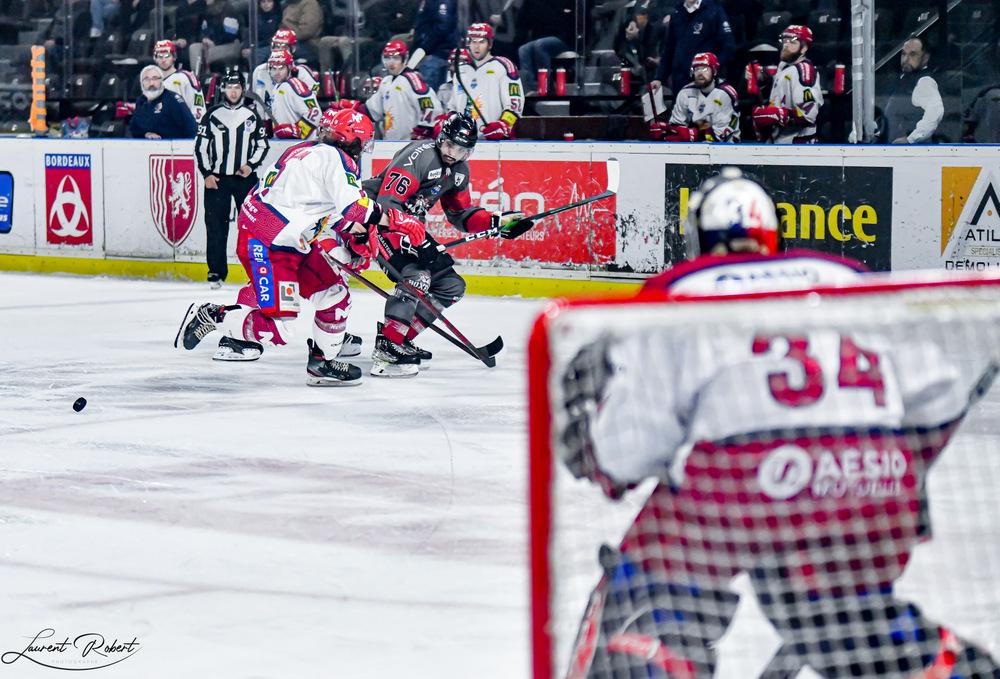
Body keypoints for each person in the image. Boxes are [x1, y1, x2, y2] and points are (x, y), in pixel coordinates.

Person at [558, 168, 1000, 678]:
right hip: (872, 483)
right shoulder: (845, 276)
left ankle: (650, 650)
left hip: (745, 485)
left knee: (652, 587)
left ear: (699, 237)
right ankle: (945, 668)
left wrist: (597, 456)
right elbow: (939, 394)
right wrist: (884, 466)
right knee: (848, 622)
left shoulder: (683, 292)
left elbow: (629, 448)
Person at [175, 107, 427, 384]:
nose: (363, 148)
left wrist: (352, 232)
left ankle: (321, 364)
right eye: (363, 141)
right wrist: (396, 220)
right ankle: (212, 315)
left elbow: (317, 205)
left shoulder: (305, 150)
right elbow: (355, 207)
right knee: (279, 330)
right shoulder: (336, 159)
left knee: (335, 296)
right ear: (351, 139)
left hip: (289, 239)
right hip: (268, 242)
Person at [360, 112, 524, 377]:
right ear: (441, 139)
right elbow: (387, 203)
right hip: (378, 220)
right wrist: (415, 241)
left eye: (462, 150)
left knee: (451, 286)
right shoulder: (420, 155)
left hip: (410, 228)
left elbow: (460, 214)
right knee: (417, 277)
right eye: (450, 146)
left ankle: (399, 338)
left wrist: (495, 221)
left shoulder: (459, 171)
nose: (453, 154)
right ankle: (387, 349)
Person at [195, 68, 269, 288]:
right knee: (215, 226)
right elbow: (201, 147)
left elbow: (263, 145)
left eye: (237, 87)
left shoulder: (252, 115)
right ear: (223, 89)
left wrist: (250, 165)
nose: (233, 92)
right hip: (217, 180)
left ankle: (255, 272)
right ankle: (216, 272)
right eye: (229, 87)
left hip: (244, 180)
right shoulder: (212, 115)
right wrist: (207, 174)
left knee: (252, 227)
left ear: (243, 89)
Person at [331, 40, 442, 141]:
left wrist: (424, 129)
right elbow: (372, 111)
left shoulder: (412, 79)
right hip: (390, 143)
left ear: (404, 58)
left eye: (396, 58)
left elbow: (430, 106)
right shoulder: (386, 82)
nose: (391, 62)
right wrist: (350, 107)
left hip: (411, 144)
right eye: (387, 58)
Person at [447, 22, 524, 139]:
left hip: (496, 141)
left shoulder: (503, 66)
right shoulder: (460, 71)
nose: (476, 46)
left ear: (490, 44)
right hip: (464, 140)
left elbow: (515, 104)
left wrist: (504, 124)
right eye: (473, 42)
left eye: (481, 42)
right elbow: (453, 107)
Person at [752, 24, 823, 144]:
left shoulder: (804, 71)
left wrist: (780, 115)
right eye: (785, 40)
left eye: (792, 42)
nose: (786, 45)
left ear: (804, 48)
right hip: (779, 141)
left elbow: (809, 115)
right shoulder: (784, 66)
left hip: (798, 144)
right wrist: (763, 77)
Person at [650, 51, 740, 142]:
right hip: (696, 142)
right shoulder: (685, 92)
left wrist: (690, 134)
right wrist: (667, 131)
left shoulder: (725, 94)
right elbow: (677, 124)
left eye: (704, 69)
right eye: (697, 69)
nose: (700, 73)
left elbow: (720, 135)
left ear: (714, 71)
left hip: (727, 145)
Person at [650, 0, 734, 96]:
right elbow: (669, 50)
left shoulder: (714, 11)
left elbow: (728, 47)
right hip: (680, 83)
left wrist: (711, 68)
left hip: (706, 84)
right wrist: (659, 78)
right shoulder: (677, 13)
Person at [884, 36, 944, 145]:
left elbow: (935, 112)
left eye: (913, 54)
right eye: (903, 54)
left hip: (914, 151)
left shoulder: (924, 81)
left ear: (925, 58)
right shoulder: (903, 80)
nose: (906, 59)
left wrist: (911, 139)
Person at [251, 33, 318, 118]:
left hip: (295, 121)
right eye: (276, 47)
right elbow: (257, 103)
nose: (279, 51)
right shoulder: (260, 71)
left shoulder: (302, 73)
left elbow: (312, 111)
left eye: (284, 47)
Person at [514, 0, 575, 93]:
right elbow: (522, 21)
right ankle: (531, 88)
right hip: (541, 38)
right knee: (523, 49)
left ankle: (545, 86)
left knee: (540, 45)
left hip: (564, 39)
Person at [128, 65, 198, 139]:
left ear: (161, 81)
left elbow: (192, 129)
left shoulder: (173, 99)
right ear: (142, 83)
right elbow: (134, 128)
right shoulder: (141, 101)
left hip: (173, 145)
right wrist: (146, 134)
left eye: (155, 78)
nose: (151, 83)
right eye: (147, 79)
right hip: (148, 145)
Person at [266, 49, 323, 139]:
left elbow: (316, 113)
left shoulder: (294, 85)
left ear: (289, 68)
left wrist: (298, 131)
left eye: (281, 68)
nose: (277, 73)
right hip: (283, 142)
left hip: (300, 143)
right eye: (274, 68)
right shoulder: (276, 87)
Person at [154, 39, 206, 123]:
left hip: (182, 128)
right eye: (160, 56)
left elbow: (198, 108)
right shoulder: (150, 80)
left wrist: (196, 125)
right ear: (155, 58)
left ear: (174, 57)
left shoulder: (185, 77)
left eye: (167, 55)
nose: (163, 59)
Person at [188, 0, 243, 77]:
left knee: (209, 52)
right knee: (194, 48)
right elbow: (200, 30)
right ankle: (196, 77)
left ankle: (208, 76)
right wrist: (204, 39)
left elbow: (231, 34)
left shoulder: (228, 9)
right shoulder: (204, 9)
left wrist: (214, 42)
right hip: (210, 43)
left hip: (229, 44)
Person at [412, 0, 458, 90]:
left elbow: (443, 27)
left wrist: (424, 47)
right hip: (427, 52)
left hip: (438, 53)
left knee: (429, 92)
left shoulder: (443, 2)